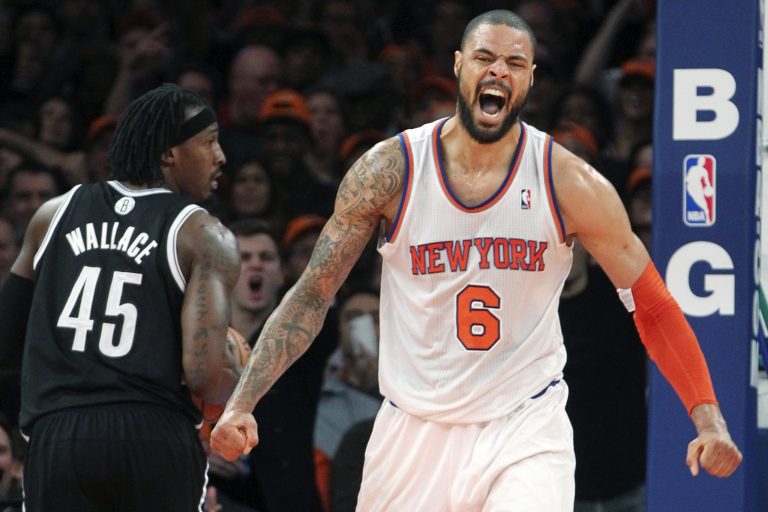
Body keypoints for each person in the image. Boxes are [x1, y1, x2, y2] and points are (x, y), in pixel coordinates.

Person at [211, 10, 742, 511]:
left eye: (514, 63)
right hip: (412, 428)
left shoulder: (569, 182)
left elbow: (651, 304)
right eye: (486, 57)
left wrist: (708, 416)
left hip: (524, 425)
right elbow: (312, 293)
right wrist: (242, 401)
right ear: (459, 66)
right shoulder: (390, 171)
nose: (498, 71)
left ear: (530, 80)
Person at [0, 83, 242, 511]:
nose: (221, 156)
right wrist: (236, 366)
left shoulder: (53, 214)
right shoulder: (203, 234)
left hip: (60, 435)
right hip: (153, 435)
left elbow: (5, 338)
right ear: (169, 154)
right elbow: (205, 377)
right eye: (208, 142)